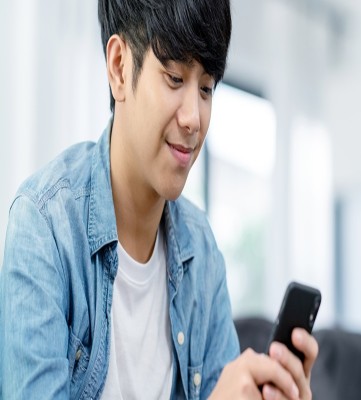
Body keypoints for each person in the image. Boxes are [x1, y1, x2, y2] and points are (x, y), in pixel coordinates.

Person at [0, 0, 318, 399]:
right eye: (174, 78)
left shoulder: (201, 251)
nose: (194, 118)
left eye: (206, 89)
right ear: (119, 67)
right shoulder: (45, 225)